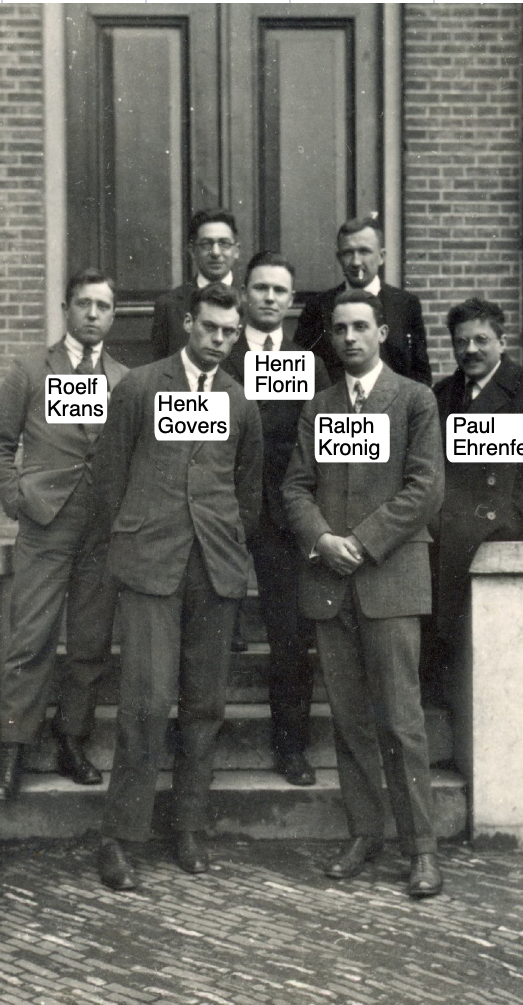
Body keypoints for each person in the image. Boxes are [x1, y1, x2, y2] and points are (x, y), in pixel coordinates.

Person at [91, 282, 263, 891]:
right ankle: (120, 837)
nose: (218, 339)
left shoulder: (240, 402)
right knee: (145, 701)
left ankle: (188, 827)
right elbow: (109, 477)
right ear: (189, 323)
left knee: (205, 704)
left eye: (229, 332)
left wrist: (228, 544)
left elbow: (248, 492)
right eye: (209, 327)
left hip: (214, 569)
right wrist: (133, 540)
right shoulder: (140, 387)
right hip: (151, 564)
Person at [283, 289, 445, 898]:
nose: (349, 337)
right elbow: (295, 487)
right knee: (349, 721)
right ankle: (364, 832)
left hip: (390, 581)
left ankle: (421, 848)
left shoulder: (415, 400)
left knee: (401, 721)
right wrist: (323, 540)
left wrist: (362, 541)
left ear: (382, 333)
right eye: (339, 329)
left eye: (360, 327)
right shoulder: (319, 405)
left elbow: (424, 488)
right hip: (331, 584)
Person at [0, 268, 128, 803]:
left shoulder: (124, 379)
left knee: (90, 642)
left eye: (103, 306)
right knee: (31, 638)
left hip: (101, 530)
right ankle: (13, 752)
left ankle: (72, 742)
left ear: (113, 315)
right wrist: (18, 499)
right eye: (84, 303)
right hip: (45, 525)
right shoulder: (29, 371)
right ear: (66, 309)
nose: (93, 314)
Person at [425, 297, 523, 700]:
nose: (470, 349)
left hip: (498, 537)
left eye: (481, 340)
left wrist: (515, 519)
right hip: (446, 542)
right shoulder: (442, 395)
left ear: (502, 342)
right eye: (461, 342)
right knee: (446, 656)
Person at [223, 252, 331, 787]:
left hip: (284, 517)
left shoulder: (310, 365)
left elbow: (326, 442)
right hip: (222, 510)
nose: (269, 298)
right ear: (244, 293)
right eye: (260, 288)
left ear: (291, 302)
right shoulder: (219, 356)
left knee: (290, 635)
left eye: (279, 291)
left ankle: (291, 746)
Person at [293, 215, 432, 386]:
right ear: (339, 258)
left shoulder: (406, 305)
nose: (356, 262)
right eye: (348, 253)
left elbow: (421, 375)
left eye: (364, 251)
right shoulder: (317, 307)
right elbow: (301, 371)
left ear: (381, 256)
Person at [150, 208, 241, 360]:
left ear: (236, 250)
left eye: (224, 243)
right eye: (206, 244)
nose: (215, 252)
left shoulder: (251, 301)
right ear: (192, 251)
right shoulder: (169, 305)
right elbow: (160, 367)